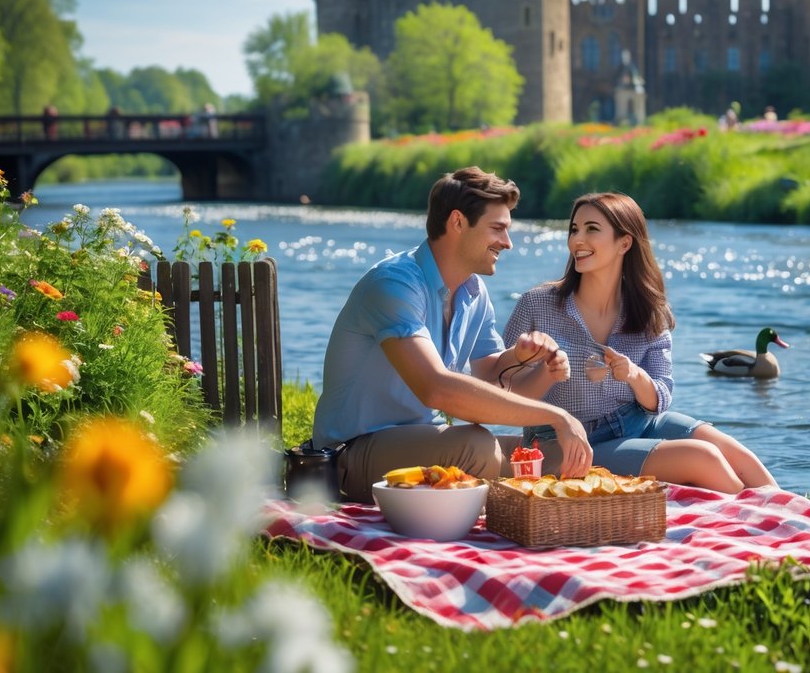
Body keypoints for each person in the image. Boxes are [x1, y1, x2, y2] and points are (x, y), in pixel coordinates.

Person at [312, 166, 593, 502]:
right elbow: (437, 389)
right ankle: (503, 509)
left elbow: (492, 384)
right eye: (498, 229)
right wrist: (557, 415)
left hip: (426, 443)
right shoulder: (394, 284)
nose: (507, 243)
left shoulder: (473, 292)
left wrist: (534, 367)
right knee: (476, 446)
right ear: (458, 222)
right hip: (350, 454)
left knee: (552, 454)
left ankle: (523, 512)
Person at [503, 192, 777, 493]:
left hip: (639, 422)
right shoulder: (537, 304)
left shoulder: (649, 311)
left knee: (738, 456)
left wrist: (633, 374)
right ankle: (754, 522)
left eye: (591, 229)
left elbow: (660, 398)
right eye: (574, 229)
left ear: (624, 243)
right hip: (568, 442)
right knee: (703, 458)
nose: (577, 240)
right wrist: (546, 370)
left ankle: (791, 519)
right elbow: (502, 384)